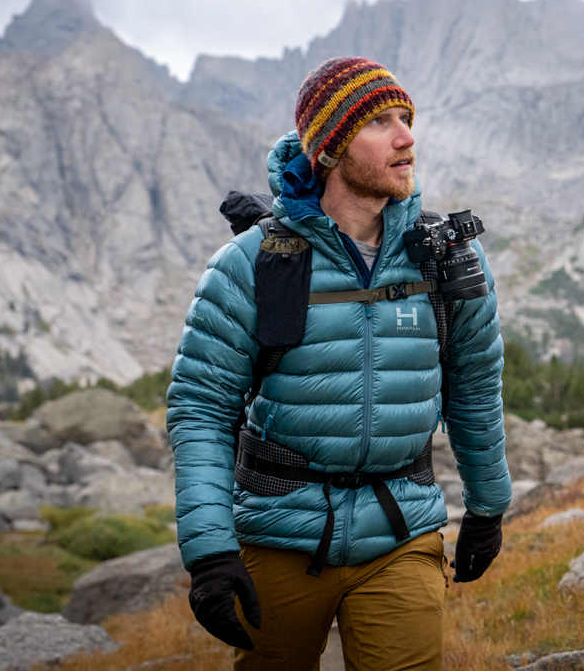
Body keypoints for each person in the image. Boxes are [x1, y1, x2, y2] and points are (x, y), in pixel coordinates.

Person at [166, 56, 512, 670]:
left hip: (401, 531)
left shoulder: (445, 259)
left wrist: (488, 507)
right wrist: (211, 552)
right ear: (329, 148)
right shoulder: (249, 264)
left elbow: (476, 387)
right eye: (380, 122)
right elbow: (201, 410)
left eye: (406, 119)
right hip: (278, 531)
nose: (406, 138)